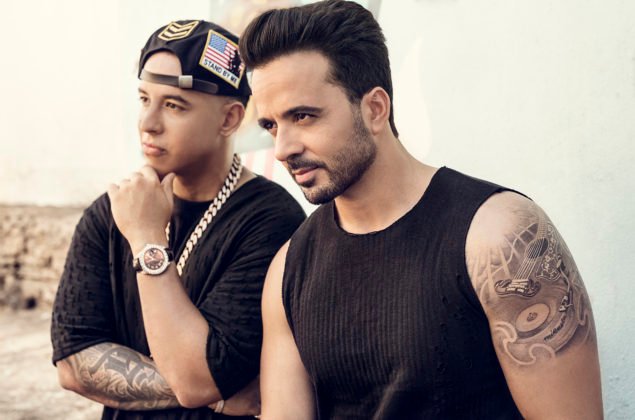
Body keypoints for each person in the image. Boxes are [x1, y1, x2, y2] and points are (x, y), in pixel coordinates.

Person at [238, 1, 603, 419]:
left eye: (303, 116)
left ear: (375, 109)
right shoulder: (289, 268)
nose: (283, 148)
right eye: (271, 126)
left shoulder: (500, 238)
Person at [50, 20, 305, 419]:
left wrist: (146, 238)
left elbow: (199, 378)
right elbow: (72, 364)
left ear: (229, 119)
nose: (147, 123)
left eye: (173, 105)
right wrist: (219, 397)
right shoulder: (112, 209)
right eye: (144, 99)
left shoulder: (271, 221)